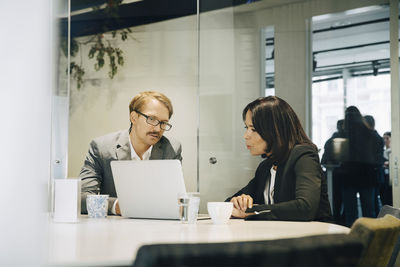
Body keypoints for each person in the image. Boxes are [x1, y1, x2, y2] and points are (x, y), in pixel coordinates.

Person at [225, 96, 332, 222]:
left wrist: (253, 211)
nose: (246, 136)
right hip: (279, 236)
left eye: (253, 129)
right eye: (246, 128)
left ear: (275, 130)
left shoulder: (303, 156)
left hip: (313, 238)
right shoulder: (266, 167)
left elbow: (305, 207)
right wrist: (237, 202)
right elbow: (227, 204)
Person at [79, 91, 182, 215]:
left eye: (163, 123)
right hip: (114, 229)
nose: (157, 129)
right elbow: (82, 198)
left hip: (156, 228)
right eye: (151, 119)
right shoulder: (102, 148)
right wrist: (118, 206)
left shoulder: (171, 149)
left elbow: (175, 199)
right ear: (134, 117)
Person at [340, 107, 378, 226]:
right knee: (369, 212)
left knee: (351, 213)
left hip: (348, 175)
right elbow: (378, 151)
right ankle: (371, 241)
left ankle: (352, 241)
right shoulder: (370, 133)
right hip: (367, 174)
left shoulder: (343, 134)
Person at [363, 115, 384, 216]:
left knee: (372, 204)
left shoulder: (373, 138)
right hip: (375, 173)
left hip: (372, 174)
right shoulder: (377, 137)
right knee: (373, 203)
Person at [382, 131, 392, 206]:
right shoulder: (382, 152)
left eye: (387, 138)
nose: (385, 140)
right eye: (384, 138)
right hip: (384, 179)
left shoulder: (395, 152)